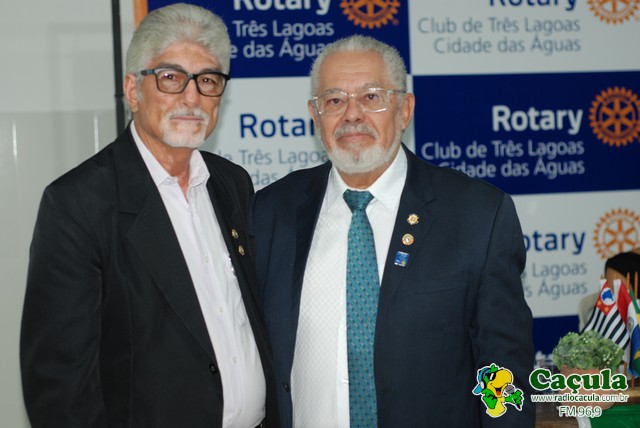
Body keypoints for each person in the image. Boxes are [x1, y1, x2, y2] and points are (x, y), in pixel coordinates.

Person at [249, 35, 535, 427]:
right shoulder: (270, 211)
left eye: (371, 97)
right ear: (315, 115)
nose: (352, 115)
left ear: (405, 109)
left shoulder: (477, 216)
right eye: (334, 100)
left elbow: (504, 371)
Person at [20, 4, 277, 427]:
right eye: (171, 77)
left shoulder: (231, 183)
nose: (192, 98)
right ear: (133, 90)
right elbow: (59, 386)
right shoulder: (78, 204)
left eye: (208, 80)